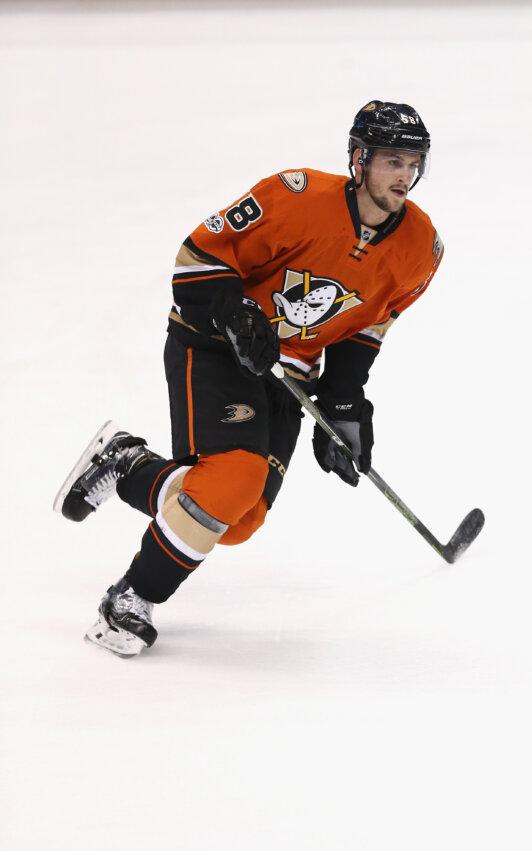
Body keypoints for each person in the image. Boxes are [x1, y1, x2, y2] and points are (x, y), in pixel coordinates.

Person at [53, 100, 444, 657]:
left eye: (413, 162)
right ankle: (129, 600)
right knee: (230, 482)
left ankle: (128, 466)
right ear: (359, 159)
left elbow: (368, 326)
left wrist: (343, 402)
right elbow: (195, 259)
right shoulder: (297, 196)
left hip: (291, 374)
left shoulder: (421, 250)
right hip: (214, 347)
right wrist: (234, 312)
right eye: (391, 161)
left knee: (238, 520)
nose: (404, 176)